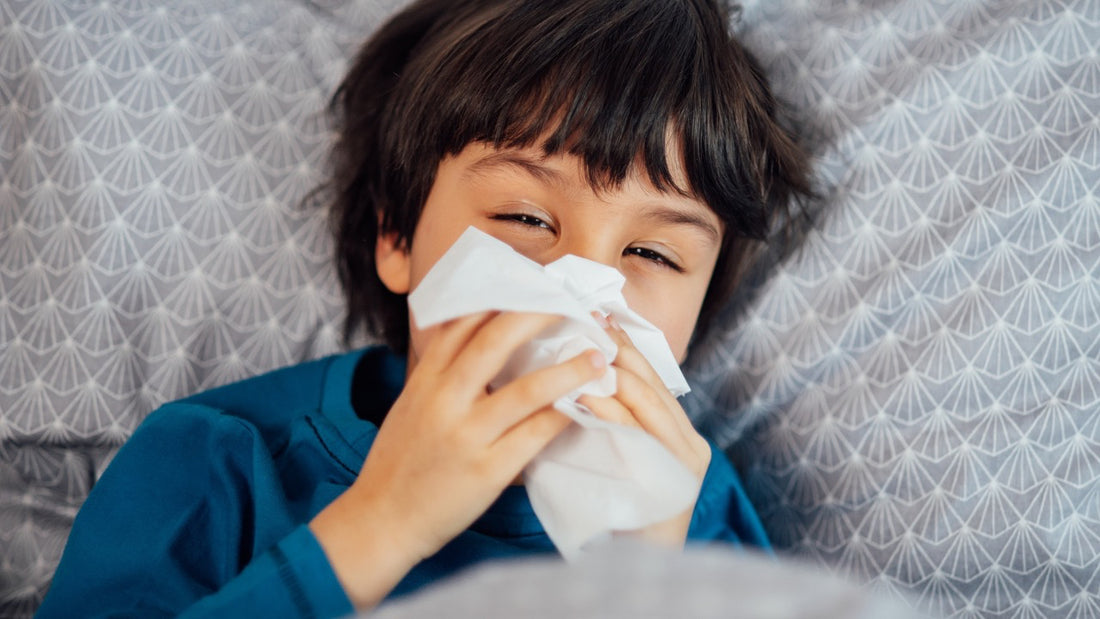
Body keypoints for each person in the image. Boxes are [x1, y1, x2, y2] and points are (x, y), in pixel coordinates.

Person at [36, 0, 812, 616]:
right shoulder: (217, 462)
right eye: (526, 219)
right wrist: (383, 524)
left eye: (652, 254)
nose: (584, 284)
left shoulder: (696, 513)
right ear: (398, 234)